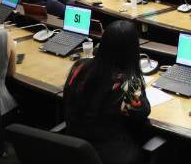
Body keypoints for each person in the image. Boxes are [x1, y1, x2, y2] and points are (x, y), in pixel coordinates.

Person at [64, 20, 152, 164]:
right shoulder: (127, 83)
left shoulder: (79, 67)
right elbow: (142, 112)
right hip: (108, 155)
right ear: (133, 51)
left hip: (73, 148)